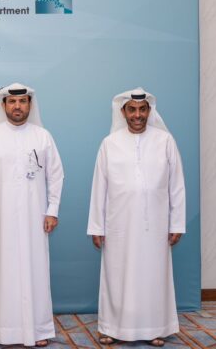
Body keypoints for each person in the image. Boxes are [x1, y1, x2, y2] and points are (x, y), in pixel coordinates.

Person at [87, 88, 186, 347]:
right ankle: (112, 328)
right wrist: (96, 226)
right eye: (132, 109)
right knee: (117, 276)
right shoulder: (110, 143)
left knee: (153, 276)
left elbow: (176, 185)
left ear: (149, 111)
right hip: (118, 225)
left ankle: (155, 328)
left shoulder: (165, 141)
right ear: (123, 112)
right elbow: (99, 187)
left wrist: (177, 222)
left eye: (142, 109)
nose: (138, 115)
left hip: (155, 225)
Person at [0, 83, 64, 348]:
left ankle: (39, 329)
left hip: (36, 218)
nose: (17, 106)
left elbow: (56, 175)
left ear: (30, 105)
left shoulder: (43, 136)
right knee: (0, 271)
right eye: (12, 102)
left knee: (36, 271)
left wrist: (52, 210)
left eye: (22, 101)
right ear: (3, 105)